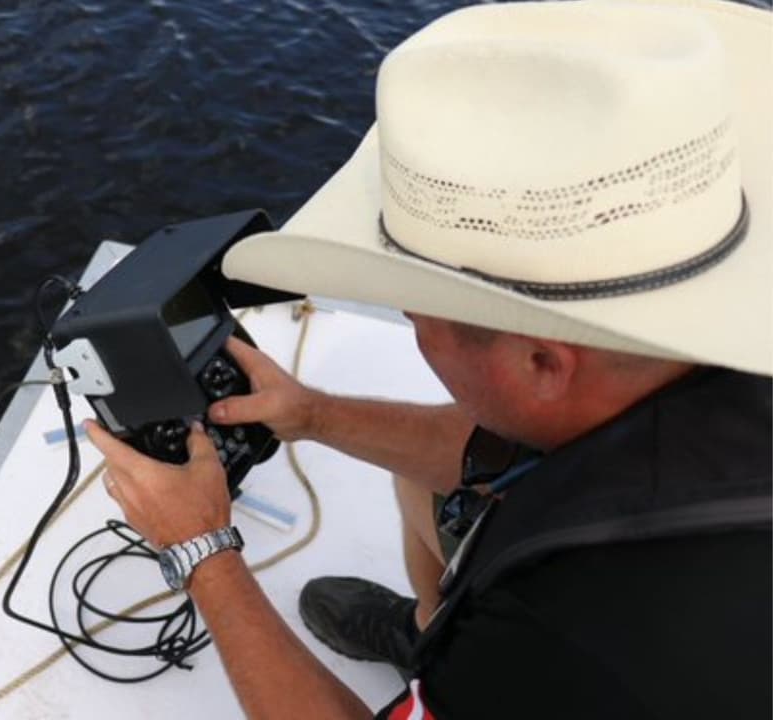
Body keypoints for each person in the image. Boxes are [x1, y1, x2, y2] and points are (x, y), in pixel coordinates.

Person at [84, 0, 772, 718]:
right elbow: (486, 450)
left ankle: (442, 683)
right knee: (425, 476)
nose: (414, 329)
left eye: (416, 313)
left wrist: (203, 552)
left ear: (543, 362)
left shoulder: (567, 635)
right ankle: (427, 642)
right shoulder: (730, 369)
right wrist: (310, 414)